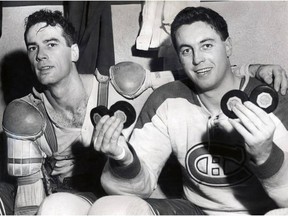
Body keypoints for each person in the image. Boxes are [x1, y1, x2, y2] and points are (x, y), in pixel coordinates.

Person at [2, 8, 287, 216]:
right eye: (32, 48)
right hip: (93, 196)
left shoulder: (123, 84)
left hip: (261, 206)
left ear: (74, 51)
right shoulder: (25, 115)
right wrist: (122, 156)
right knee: (56, 207)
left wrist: (253, 70)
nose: (41, 55)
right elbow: (28, 197)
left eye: (51, 44)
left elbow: (197, 73)